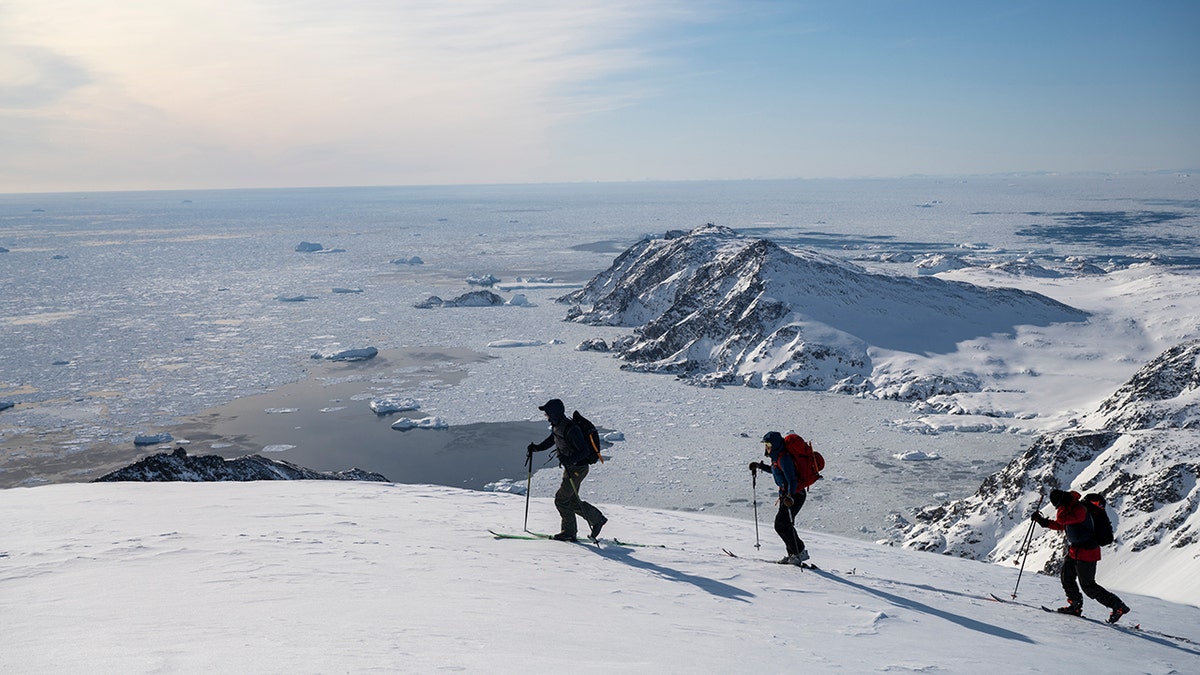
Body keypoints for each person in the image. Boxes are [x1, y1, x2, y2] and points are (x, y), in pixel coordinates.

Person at [1032, 489, 1131, 623]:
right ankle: (1075, 606)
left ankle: (1117, 606)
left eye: (1057, 505)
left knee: (1088, 586)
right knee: (1066, 577)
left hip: (1087, 553)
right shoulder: (1071, 508)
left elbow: (1062, 519)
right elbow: (1064, 525)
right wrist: (1043, 522)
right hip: (1075, 551)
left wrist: (1061, 506)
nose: (1057, 508)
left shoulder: (1080, 509)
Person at [527, 398, 607, 542]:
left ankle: (569, 532)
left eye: (547, 414)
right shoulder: (558, 426)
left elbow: (584, 451)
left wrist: (569, 460)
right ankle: (597, 519)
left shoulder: (571, 429)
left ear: (554, 413)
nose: (546, 417)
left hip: (578, 468)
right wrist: (537, 448)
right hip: (572, 467)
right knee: (571, 500)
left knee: (562, 499)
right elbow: (553, 439)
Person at [749, 431, 809, 565]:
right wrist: (760, 466)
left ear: (775, 444)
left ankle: (799, 552)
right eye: (765, 444)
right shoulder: (777, 457)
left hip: (794, 496)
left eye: (769, 444)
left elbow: (792, 480)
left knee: (781, 524)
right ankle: (794, 554)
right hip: (787, 496)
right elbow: (775, 470)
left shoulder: (784, 458)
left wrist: (789, 496)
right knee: (785, 524)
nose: (767, 447)